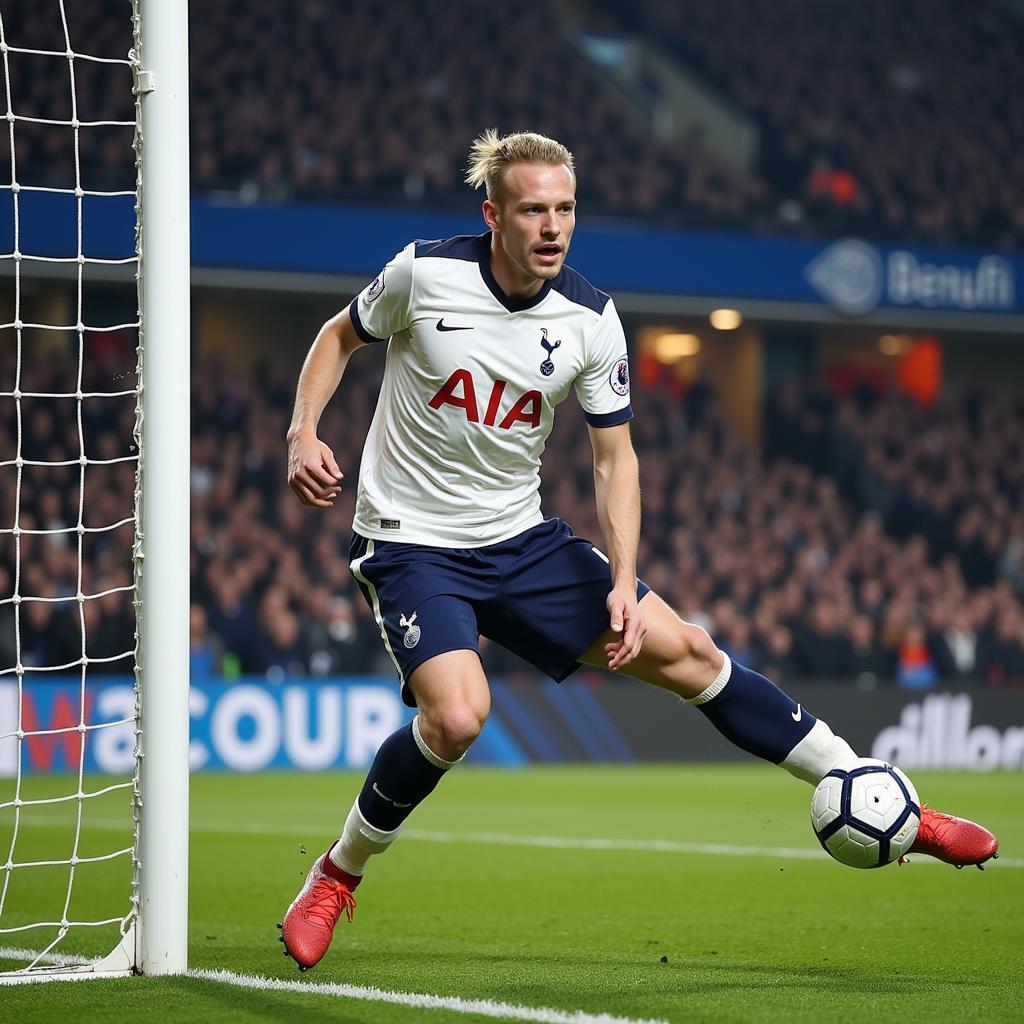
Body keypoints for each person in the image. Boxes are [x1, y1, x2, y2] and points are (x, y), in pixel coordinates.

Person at [278, 130, 998, 971]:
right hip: (413, 543)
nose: (552, 227)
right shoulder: (421, 273)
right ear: (493, 215)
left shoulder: (589, 318)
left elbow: (613, 456)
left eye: (565, 209)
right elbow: (337, 335)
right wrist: (303, 431)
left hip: (521, 540)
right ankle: (337, 874)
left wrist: (622, 581)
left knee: (693, 652)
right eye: (533, 210)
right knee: (458, 714)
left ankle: (893, 808)